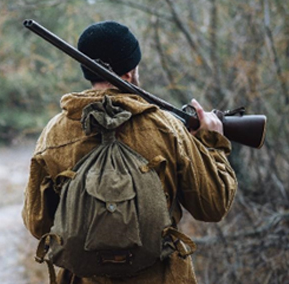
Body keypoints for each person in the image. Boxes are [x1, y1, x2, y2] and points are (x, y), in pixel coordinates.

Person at [22, 20, 238, 284]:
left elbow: (37, 224)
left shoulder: (54, 133)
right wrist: (212, 141)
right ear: (130, 72)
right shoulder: (166, 128)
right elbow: (213, 206)